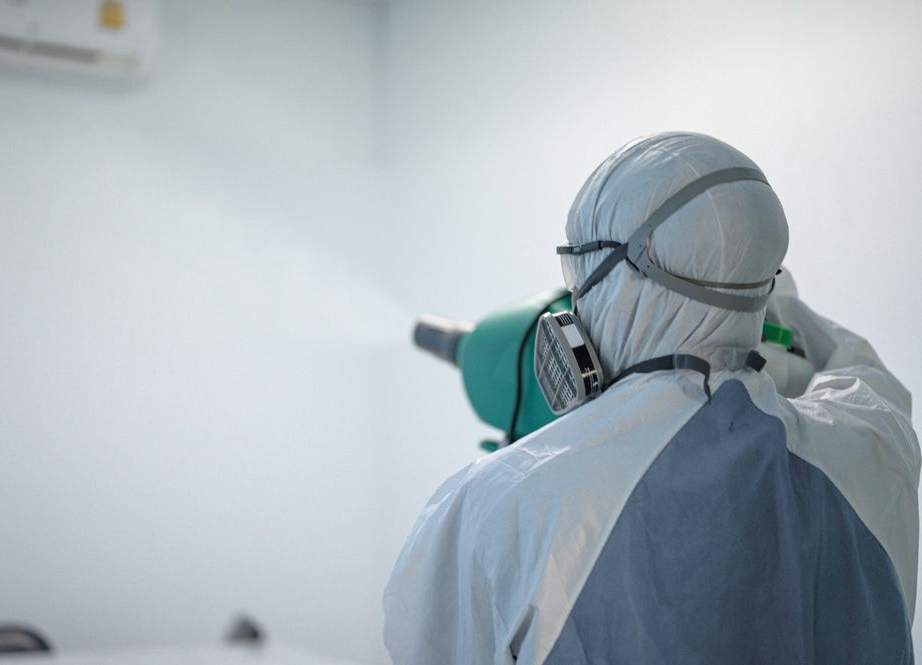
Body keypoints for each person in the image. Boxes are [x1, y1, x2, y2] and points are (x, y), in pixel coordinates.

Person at [383, 132, 920, 664]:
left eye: (577, 268)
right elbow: (862, 370)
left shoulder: (502, 503)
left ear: (623, 270)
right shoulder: (872, 450)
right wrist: (756, 297)